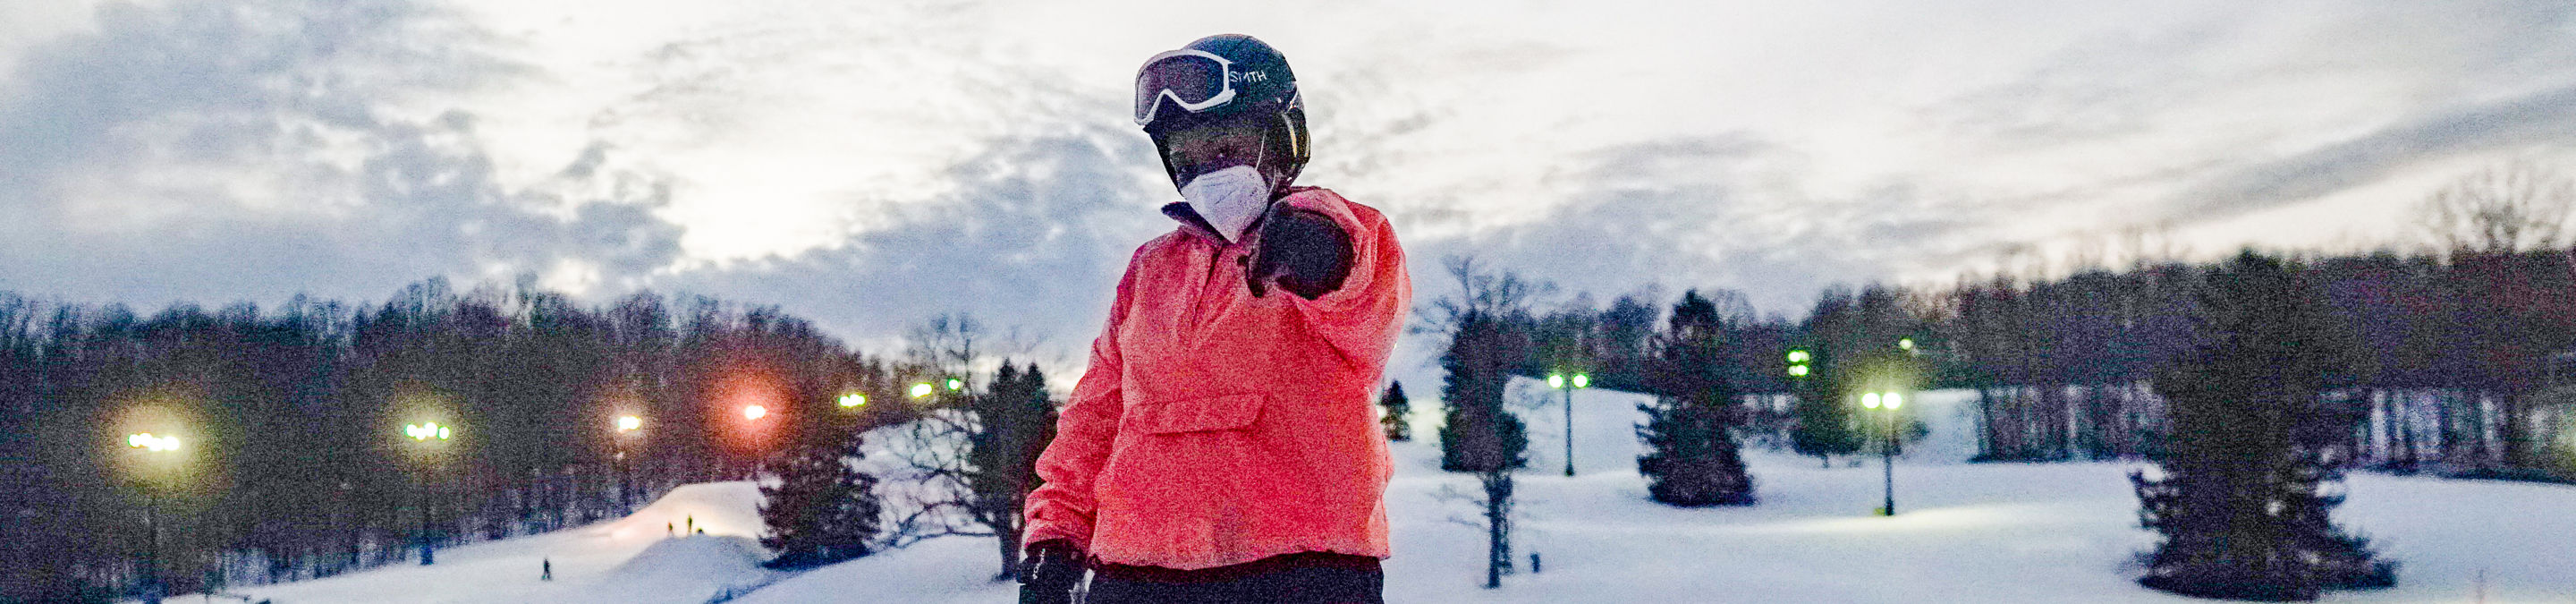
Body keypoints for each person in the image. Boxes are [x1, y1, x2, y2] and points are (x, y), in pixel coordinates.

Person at [1018, 33, 1411, 604]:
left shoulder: (1338, 231)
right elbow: (1095, 416)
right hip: (1136, 572)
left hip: (1300, 570)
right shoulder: (1152, 268)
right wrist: (1056, 536)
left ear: (1279, 141)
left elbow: (1364, 297)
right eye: (1188, 162)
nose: (1207, 175)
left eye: (1225, 150)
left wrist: (1321, 253)